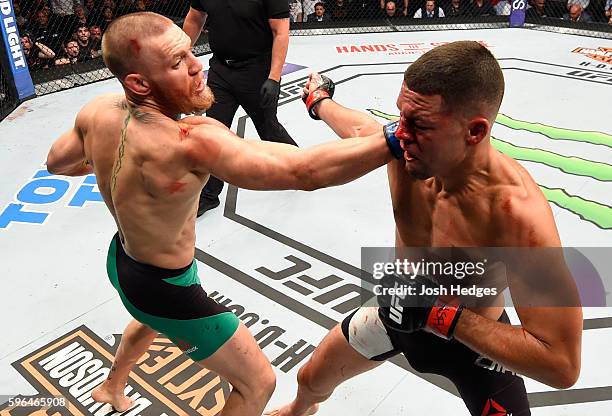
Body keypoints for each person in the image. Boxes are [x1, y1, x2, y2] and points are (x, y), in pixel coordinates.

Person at [45, 12, 398, 415]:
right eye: (178, 62)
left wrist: (114, 163)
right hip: (164, 288)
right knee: (258, 384)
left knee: (149, 319)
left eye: (191, 52)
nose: (199, 66)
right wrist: (395, 139)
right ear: (140, 83)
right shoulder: (190, 140)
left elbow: (58, 162)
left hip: (124, 260)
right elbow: (305, 170)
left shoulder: (97, 111)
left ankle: (111, 387)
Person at [266, 41, 582, 416]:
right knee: (309, 380)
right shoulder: (406, 150)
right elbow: (358, 128)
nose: (400, 134)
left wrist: (440, 313)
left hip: (476, 344)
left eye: (419, 124)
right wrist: (318, 101)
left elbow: (562, 364)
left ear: (475, 132)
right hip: (397, 313)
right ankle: (299, 410)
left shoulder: (515, 215)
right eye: (401, 116)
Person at [183, 0, 297, 216]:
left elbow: (280, 32)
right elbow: (195, 17)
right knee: (213, 132)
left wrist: (273, 77)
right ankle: (209, 195)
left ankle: (298, 161)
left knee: (268, 128)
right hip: (220, 70)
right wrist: (180, 54)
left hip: (257, 70)